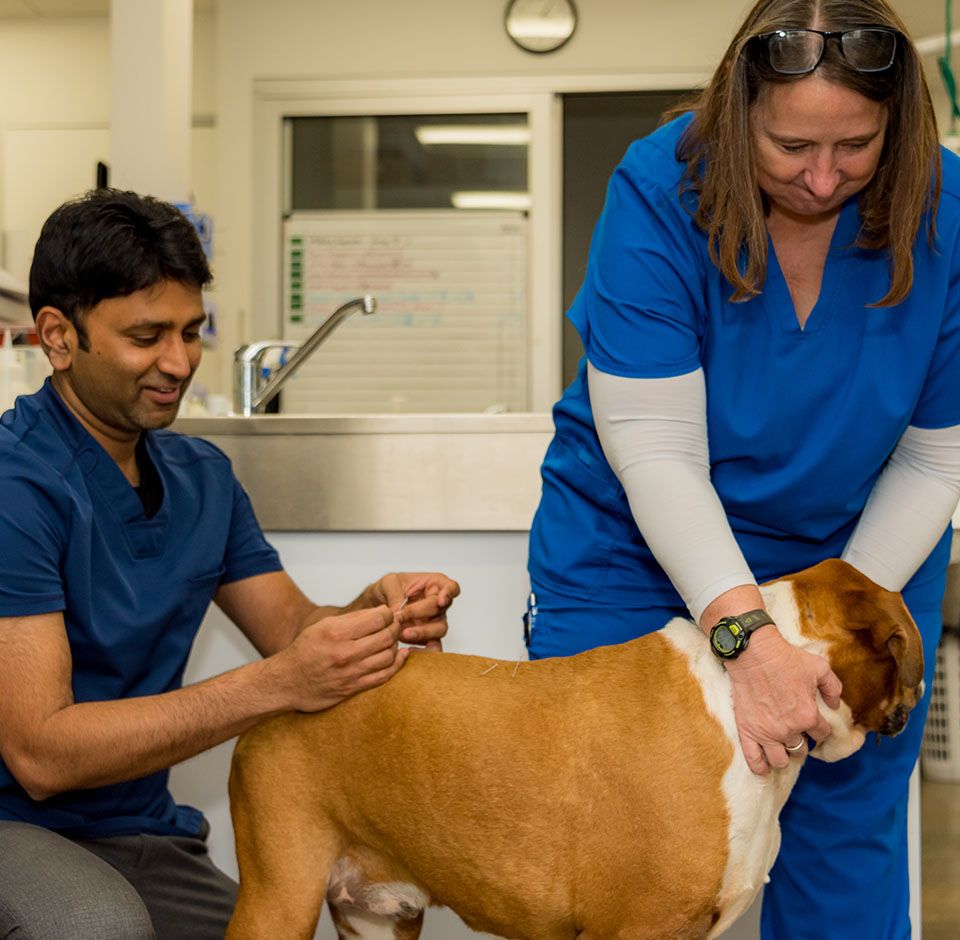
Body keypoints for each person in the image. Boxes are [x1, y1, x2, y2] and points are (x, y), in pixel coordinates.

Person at [525, 1, 960, 937]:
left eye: (857, 145)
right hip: (640, 550)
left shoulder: (947, 213)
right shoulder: (660, 189)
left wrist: (825, 629)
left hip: (860, 555)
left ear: (899, 125)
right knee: (621, 844)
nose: (821, 175)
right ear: (738, 112)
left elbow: (937, 454)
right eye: (790, 144)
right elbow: (658, 451)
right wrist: (746, 639)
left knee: (840, 844)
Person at [0, 188, 460, 940]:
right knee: (96, 929)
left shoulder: (200, 476)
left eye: (191, 331)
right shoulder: (15, 486)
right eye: (146, 336)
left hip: (144, 832)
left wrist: (375, 615)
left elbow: (293, 631)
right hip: (15, 827)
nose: (177, 362)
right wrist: (278, 686)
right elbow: (40, 755)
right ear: (57, 335)